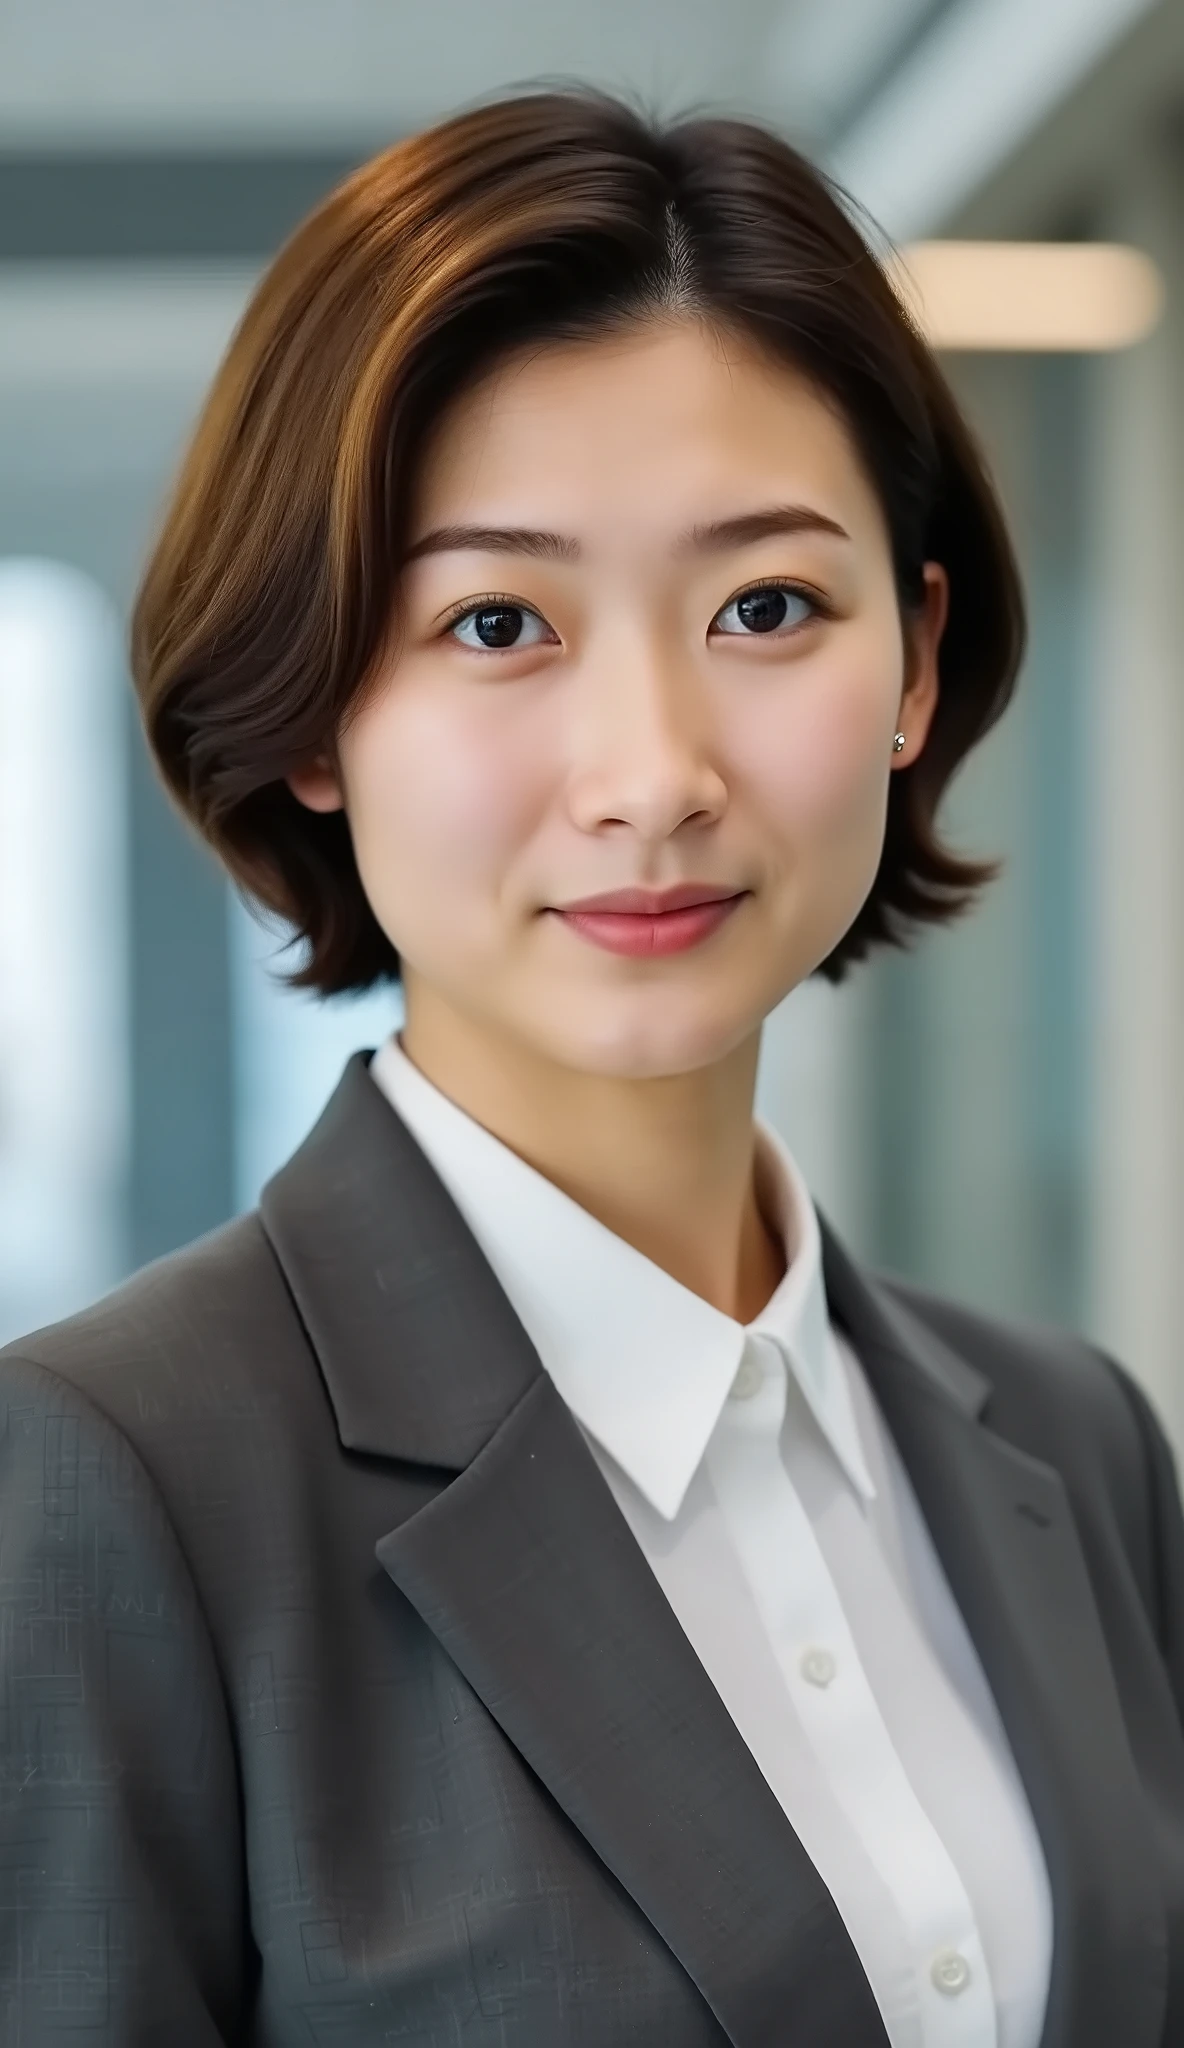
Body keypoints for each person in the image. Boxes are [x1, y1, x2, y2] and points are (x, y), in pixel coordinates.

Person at [1, 87, 1181, 2048]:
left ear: (911, 662)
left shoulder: (1074, 1445)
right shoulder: (106, 1491)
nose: (651, 773)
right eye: (493, 621)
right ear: (315, 707)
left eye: (766, 606)